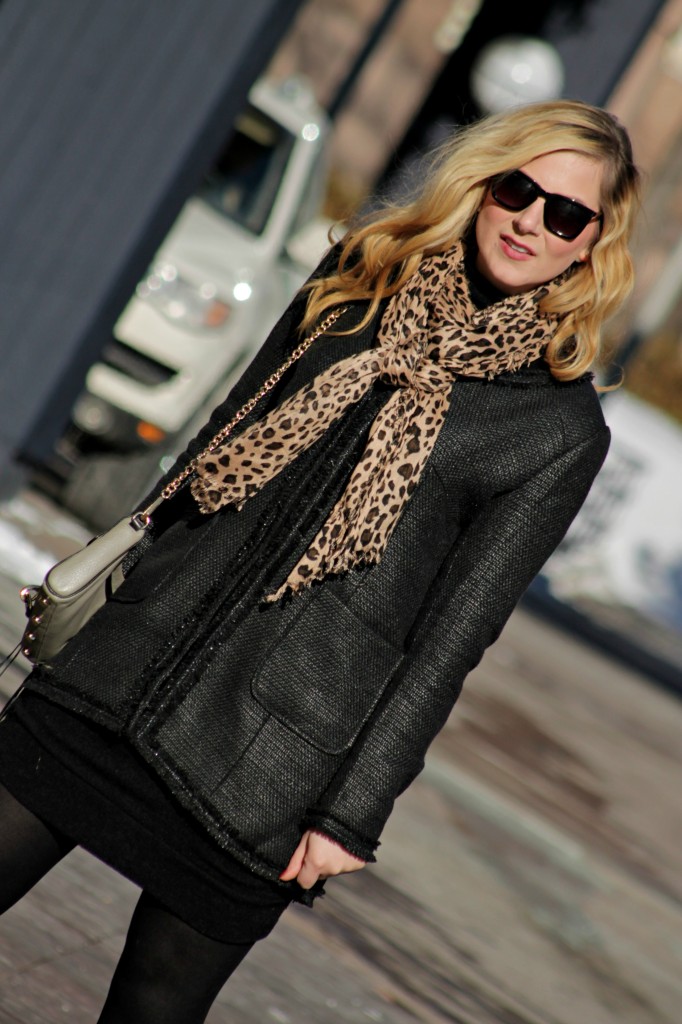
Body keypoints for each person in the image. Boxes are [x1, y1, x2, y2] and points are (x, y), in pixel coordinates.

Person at [0, 98, 639, 1022]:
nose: (532, 222)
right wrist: (110, 588)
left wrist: (352, 813)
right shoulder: (363, 275)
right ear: (483, 183)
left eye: (565, 215)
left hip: (269, 764)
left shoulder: (556, 430)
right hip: (124, 668)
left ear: (591, 242)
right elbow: (222, 440)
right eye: (518, 190)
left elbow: (452, 641)